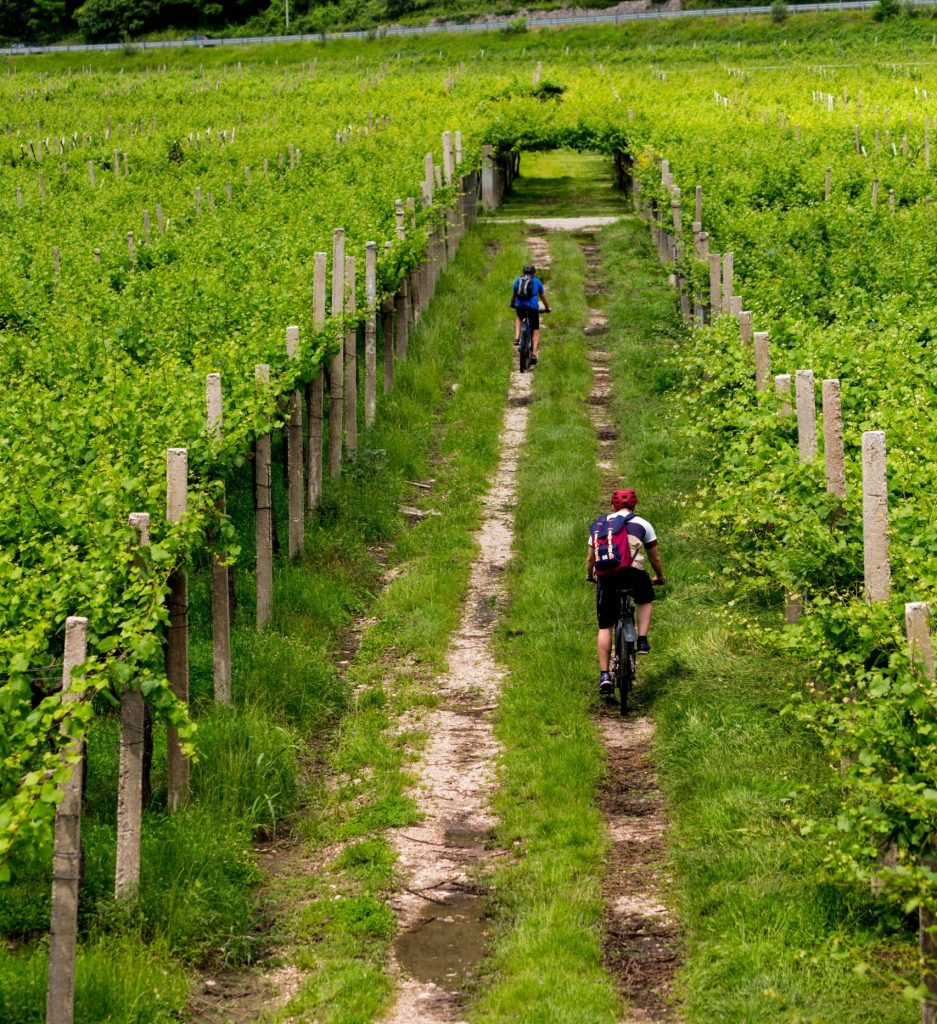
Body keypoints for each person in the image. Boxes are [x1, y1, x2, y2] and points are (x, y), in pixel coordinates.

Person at [586, 488, 665, 696]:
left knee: (605, 626)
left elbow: (590, 559)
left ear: (613, 505)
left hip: (607, 576)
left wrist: (590, 576)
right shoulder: (643, 524)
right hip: (633, 573)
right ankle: (642, 639)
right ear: (634, 505)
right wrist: (659, 576)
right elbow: (655, 558)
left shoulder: (600, 525)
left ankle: (605, 675)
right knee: (645, 598)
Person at [511, 263, 550, 365]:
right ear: (534, 273)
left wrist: (512, 304)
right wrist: (547, 308)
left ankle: (517, 338)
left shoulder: (517, 281)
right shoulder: (537, 282)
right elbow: (543, 297)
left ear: (523, 272)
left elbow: (514, 295)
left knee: (519, 318)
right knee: (536, 330)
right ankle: (534, 353)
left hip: (520, 307)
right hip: (532, 308)